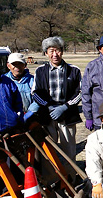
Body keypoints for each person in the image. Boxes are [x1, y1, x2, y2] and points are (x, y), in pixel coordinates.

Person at [32, 36, 82, 167]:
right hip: (47, 115)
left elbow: (80, 93)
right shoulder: (40, 71)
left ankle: (71, 178)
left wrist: (65, 107)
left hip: (68, 115)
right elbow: (35, 93)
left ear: (62, 51)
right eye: (51, 51)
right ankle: (51, 180)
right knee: (48, 149)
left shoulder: (74, 70)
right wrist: (48, 106)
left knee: (69, 150)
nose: (55, 54)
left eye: (58, 50)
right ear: (46, 53)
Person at [5, 52, 39, 120]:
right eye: (14, 64)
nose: (17, 67)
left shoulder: (33, 80)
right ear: (8, 65)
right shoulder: (3, 81)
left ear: (25, 65)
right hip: (11, 119)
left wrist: (30, 113)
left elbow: (38, 99)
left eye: (20, 63)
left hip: (31, 118)